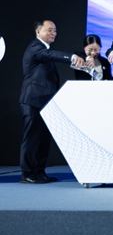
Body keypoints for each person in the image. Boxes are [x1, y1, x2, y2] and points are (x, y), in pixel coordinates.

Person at [19, 20, 85, 184]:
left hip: (45, 102)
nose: (54, 33)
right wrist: (72, 57)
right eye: (50, 30)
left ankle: (39, 171)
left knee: (43, 139)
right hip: (32, 100)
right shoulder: (35, 47)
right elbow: (51, 55)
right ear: (38, 31)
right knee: (32, 138)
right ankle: (27, 174)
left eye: (55, 30)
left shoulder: (44, 50)